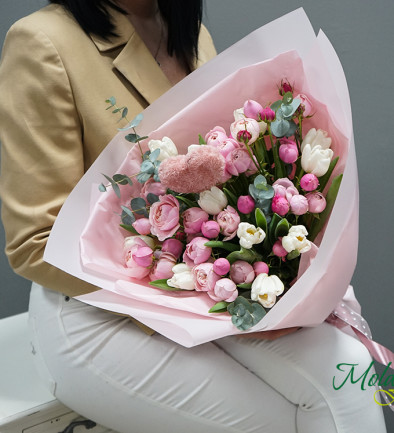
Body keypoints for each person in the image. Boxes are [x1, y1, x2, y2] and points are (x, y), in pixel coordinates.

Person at [0, 1, 388, 432]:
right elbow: (36, 243)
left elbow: (223, 170)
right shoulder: (43, 42)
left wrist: (254, 281)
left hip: (210, 293)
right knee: (284, 422)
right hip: (95, 312)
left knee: (350, 368)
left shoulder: (188, 33)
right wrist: (213, 302)